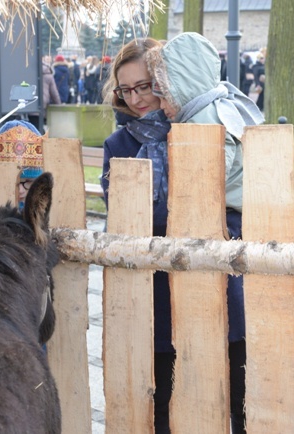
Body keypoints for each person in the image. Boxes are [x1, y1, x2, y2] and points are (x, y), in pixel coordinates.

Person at [146, 31, 265, 434]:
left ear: (181, 82)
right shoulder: (215, 108)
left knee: (224, 321)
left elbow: (199, 192)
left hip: (220, 228)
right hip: (230, 225)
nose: (160, 104)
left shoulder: (201, 122)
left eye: (163, 92)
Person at [99, 38, 171, 432]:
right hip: (151, 293)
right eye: (127, 89)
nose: (137, 98)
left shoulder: (198, 131)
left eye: (144, 85)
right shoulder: (119, 143)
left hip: (213, 292)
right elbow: (122, 220)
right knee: (159, 405)